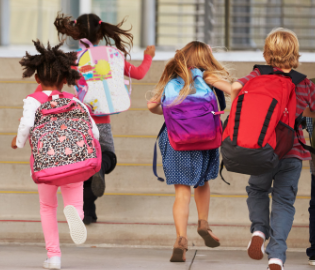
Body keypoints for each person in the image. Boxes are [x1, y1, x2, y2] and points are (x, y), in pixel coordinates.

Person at [54, 13, 155, 225]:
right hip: (103, 122)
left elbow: (55, 83)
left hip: (79, 121)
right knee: (108, 156)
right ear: (101, 33)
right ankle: (102, 166)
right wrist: (148, 57)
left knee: (83, 167)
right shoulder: (113, 55)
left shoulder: (72, 59)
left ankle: (87, 214)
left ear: (76, 32)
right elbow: (138, 74)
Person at [11, 40, 100, 270]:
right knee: (74, 200)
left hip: (46, 165)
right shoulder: (75, 100)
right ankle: (76, 215)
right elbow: (95, 133)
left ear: (37, 79)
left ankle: (54, 257)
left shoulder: (33, 100)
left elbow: (26, 125)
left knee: (47, 207)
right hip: (75, 163)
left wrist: (18, 142)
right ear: (64, 79)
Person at [231, 28, 315, 270]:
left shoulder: (258, 75)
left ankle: (258, 230)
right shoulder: (305, 84)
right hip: (292, 152)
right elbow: (313, 110)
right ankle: (277, 255)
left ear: (268, 53)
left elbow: (236, 88)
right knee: (284, 202)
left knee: (257, 190)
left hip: (262, 149)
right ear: (295, 53)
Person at [147, 41, 232, 262]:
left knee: (181, 193)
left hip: (176, 140)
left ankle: (181, 239)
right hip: (205, 139)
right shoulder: (208, 77)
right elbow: (232, 90)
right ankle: (203, 223)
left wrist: (169, 112)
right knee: (202, 183)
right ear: (206, 58)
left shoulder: (172, 78)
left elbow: (152, 106)